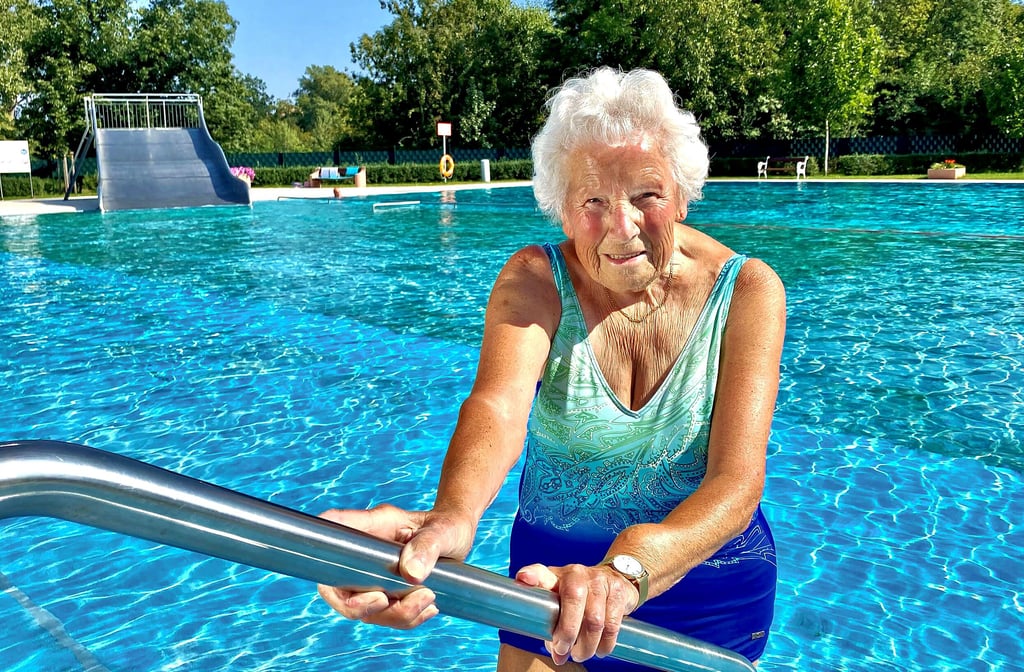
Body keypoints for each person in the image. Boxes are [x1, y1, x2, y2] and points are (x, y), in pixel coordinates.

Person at [318, 67, 786, 671]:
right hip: (549, 582)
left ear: (683, 193)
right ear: (562, 210)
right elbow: (497, 408)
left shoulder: (747, 291)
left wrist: (627, 572)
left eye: (647, 194)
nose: (623, 227)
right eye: (593, 201)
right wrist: (453, 516)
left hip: (708, 587)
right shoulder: (536, 281)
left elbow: (736, 483)